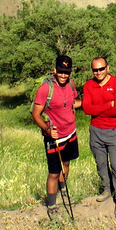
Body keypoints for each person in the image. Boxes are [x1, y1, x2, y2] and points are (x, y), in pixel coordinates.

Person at [31, 55, 81, 218]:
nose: (63, 75)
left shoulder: (71, 84)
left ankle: (64, 191)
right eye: (60, 71)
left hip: (70, 133)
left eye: (66, 72)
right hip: (55, 137)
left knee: (66, 164)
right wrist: (46, 129)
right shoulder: (46, 89)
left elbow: (73, 102)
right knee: (53, 172)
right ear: (55, 70)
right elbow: (36, 114)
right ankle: (52, 205)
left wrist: (94, 102)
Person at [82, 56, 116, 216]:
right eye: (95, 69)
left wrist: (98, 108)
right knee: (101, 164)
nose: (98, 72)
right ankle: (107, 189)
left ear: (107, 68)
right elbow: (87, 109)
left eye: (101, 68)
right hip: (96, 130)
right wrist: (109, 104)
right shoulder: (89, 85)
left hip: (115, 131)